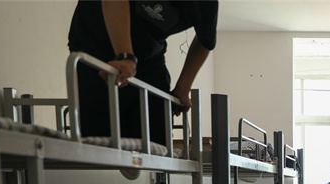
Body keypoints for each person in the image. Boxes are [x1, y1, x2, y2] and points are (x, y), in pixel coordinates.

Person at [67, 1, 218, 150]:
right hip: (96, 42)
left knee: (157, 133)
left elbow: (204, 42)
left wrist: (183, 88)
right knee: (101, 141)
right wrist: (125, 55)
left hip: (148, 57)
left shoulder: (206, 4)